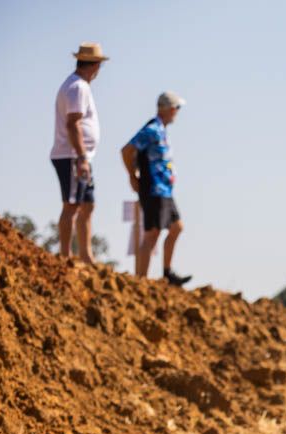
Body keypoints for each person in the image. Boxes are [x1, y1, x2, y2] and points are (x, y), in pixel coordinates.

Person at [121, 91, 190, 285]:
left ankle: (168, 272)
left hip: (165, 190)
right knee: (152, 233)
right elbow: (127, 150)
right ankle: (141, 281)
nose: (177, 112)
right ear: (168, 109)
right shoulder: (151, 130)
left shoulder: (161, 130)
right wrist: (132, 176)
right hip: (153, 189)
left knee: (176, 227)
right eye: (176, 108)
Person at [51, 42, 107, 264]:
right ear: (94, 65)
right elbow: (73, 124)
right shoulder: (77, 87)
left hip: (80, 156)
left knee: (87, 203)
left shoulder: (78, 86)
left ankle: (86, 254)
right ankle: (65, 256)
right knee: (72, 205)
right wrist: (81, 157)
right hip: (73, 156)